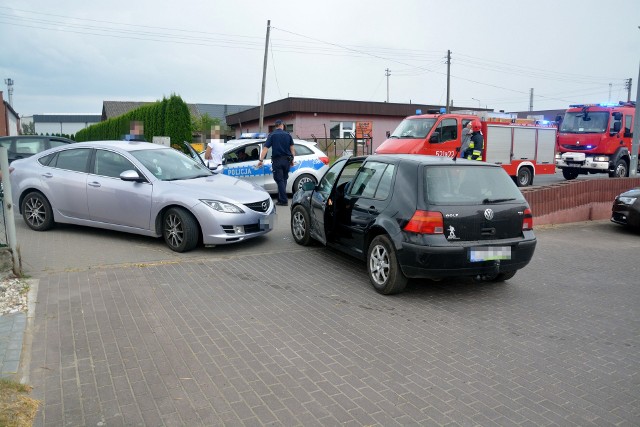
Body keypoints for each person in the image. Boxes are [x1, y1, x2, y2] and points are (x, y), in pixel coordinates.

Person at [258, 120, 295, 206]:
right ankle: (281, 198)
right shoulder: (288, 135)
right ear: (282, 125)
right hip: (287, 160)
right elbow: (292, 149)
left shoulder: (272, 135)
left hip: (277, 160)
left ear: (276, 126)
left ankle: (283, 200)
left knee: (279, 180)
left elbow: (265, 148)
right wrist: (292, 160)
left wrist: (261, 160)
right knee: (284, 179)